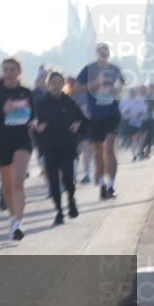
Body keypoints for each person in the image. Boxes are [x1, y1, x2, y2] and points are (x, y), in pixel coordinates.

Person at [0, 58, 36, 241]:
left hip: (22, 140)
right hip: (1, 141)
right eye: (5, 69)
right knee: (7, 188)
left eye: (12, 69)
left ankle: (18, 224)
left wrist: (35, 122)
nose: (8, 72)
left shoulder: (26, 92)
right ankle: (12, 217)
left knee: (18, 183)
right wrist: (3, 109)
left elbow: (33, 114)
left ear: (19, 72)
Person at [33, 71, 87, 225]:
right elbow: (34, 124)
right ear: (48, 85)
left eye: (59, 82)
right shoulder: (41, 104)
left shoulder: (69, 102)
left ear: (63, 84)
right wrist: (37, 128)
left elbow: (83, 120)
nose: (56, 85)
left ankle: (71, 200)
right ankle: (58, 211)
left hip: (68, 146)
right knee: (54, 181)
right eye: (53, 83)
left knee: (68, 178)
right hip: (49, 147)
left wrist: (78, 124)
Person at [75, 43, 125, 200]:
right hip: (95, 115)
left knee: (110, 148)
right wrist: (93, 85)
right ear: (96, 53)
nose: (103, 54)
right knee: (98, 152)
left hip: (112, 113)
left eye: (106, 51)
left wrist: (116, 90)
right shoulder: (88, 69)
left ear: (109, 53)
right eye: (101, 51)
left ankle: (111, 186)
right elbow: (77, 88)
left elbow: (121, 87)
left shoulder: (115, 69)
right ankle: (102, 184)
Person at [67, 75, 94, 183]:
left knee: (85, 149)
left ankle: (86, 174)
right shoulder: (67, 96)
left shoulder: (86, 95)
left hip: (85, 124)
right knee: (75, 151)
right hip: (72, 126)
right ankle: (73, 175)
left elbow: (90, 110)